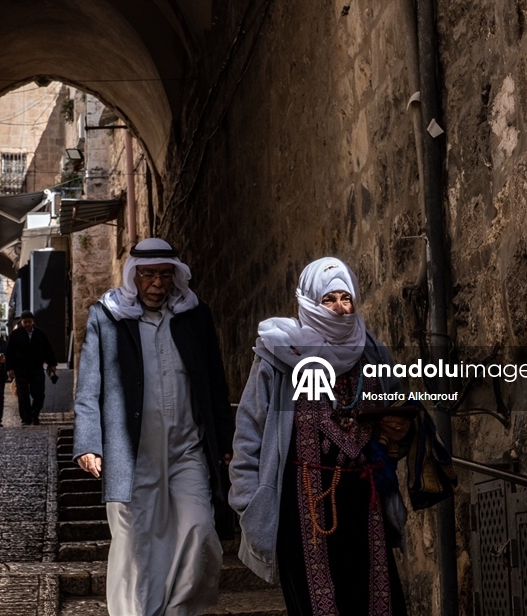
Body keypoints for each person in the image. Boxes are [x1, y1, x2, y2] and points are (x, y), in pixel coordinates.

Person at [229, 257, 456, 616]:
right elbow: (249, 432)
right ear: (308, 301)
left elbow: (393, 420)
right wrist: (249, 504)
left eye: (345, 298)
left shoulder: (373, 352)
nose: (338, 308)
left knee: (377, 603)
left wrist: (402, 430)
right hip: (301, 508)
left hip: (366, 507)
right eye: (328, 299)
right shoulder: (277, 354)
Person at [73, 238, 234, 616]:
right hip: (131, 454)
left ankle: (179, 610)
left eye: (165, 275)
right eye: (148, 275)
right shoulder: (107, 316)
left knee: (199, 530)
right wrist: (88, 442)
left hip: (187, 450)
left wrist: (224, 438)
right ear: (134, 277)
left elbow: (214, 382)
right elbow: (89, 385)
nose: (157, 284)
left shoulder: (195, 317)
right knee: (135, 545)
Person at [6, 311, 57, 425]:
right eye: (25, 322)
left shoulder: (40, 334)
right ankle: (26, 418)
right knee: (23, 394)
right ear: (22, 322)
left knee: (39, 393)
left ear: (33, 321)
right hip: (20, 369)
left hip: (36, 368)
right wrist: (9, 368)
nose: (28, 324)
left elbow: (47, 349)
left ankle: (34, 413)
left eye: (29, 321)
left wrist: (52, 364)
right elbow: (9, 352)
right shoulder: (15, 335)